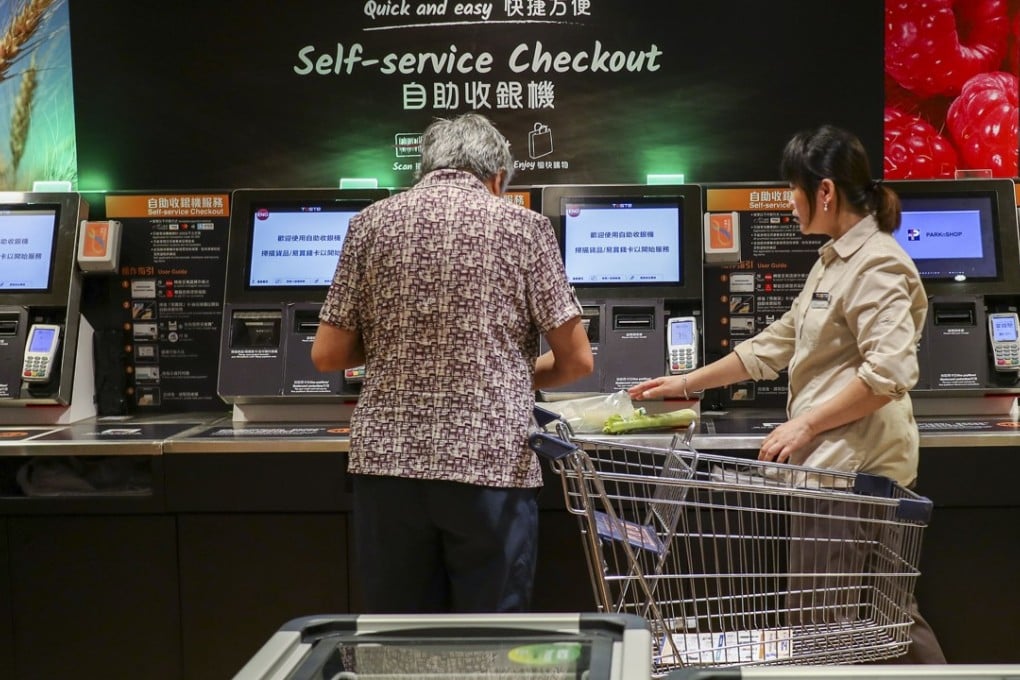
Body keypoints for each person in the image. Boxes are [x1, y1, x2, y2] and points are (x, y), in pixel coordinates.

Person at [628, 125, 946, 663]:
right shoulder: (834, 261)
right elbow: (773, 344)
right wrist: (683, 384)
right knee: (886, 617)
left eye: (793, 190)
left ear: (825, 192)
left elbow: (888, 372)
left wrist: (806, 424)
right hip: (833, 472)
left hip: (854, 474)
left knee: (830, 623)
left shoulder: (879, 262)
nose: (788, 202)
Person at [311, 112, 593, 614]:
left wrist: (397, 347)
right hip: (491, 466)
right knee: (490, 639)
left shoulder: (369, 223)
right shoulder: (525, 227)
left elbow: (327, 354)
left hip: (388, 470)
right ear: (497, 177)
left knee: (399, 639)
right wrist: (503, 371)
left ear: (424, 168)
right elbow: (577, 361)